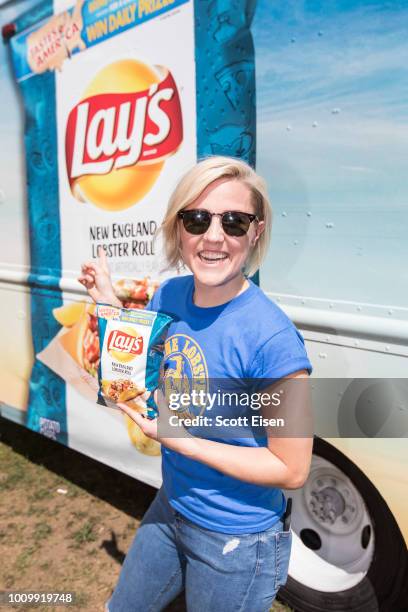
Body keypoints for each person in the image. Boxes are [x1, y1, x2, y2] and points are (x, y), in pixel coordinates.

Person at [78, 156, 313, 612]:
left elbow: (292, 469)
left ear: (256, 232)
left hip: (238, 541)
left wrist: (181, 441)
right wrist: (108, 303)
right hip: (172, 505)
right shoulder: (169, 295)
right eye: (198, 218)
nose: (213, 236)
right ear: (179, 227)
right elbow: (145, 358)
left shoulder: (274, 341)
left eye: (235, 222)